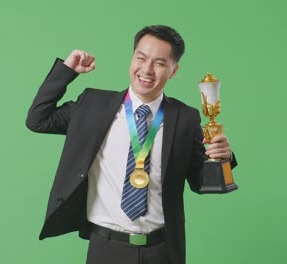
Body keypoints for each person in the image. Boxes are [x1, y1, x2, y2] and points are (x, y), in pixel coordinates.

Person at [26, 25, 237, 264]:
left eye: (159, 63)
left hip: (162, 250)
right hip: (105, 247)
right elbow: (38, 120)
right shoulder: (93, 105)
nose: (146, 70)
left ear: (173, 70)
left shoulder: (185, 118)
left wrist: (223, 158)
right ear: (132, 58)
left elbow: (201, 183)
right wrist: (67, 70)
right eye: (141, 58)